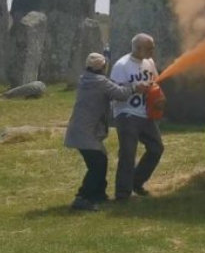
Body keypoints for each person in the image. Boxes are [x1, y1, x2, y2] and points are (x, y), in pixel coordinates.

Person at [64, 53, 149, 212]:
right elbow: (120, 94)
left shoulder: (85, 79)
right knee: (97, 165)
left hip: (80, 129)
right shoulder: (100, 82)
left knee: (100, 160)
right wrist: (136, 88)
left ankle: (99, 194)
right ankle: (82, 198)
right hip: (85, 131)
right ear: (103, 68)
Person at [110, 33, 164, 201]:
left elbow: (155, 82)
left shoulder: (149, 62)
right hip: (127, 114)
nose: (152, 51)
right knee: (128, 153)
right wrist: (134, 88)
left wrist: (157, 97)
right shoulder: (121, 66)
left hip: (145, 113)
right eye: (149, 48)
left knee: (156, 148)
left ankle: (136, 182)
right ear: (137, 48)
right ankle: (122, 195)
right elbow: (114, 93)